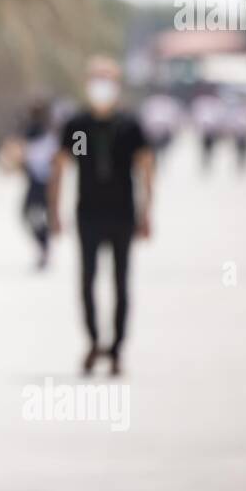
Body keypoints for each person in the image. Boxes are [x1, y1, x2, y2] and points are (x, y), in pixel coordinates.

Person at [48, 56, 155, 377]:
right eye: (97, 79)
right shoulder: (77, 124)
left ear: (118, 85)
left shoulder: (131, 125)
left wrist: (147, 211)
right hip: (88, 214)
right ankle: (94, 341)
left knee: (121, 282)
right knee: (88, 280)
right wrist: (54, 211)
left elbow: (147, 168)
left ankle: (118, 348)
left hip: (123, 214)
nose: (102, 87)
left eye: (107, 80)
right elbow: (60, 167)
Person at [17, 99, 58, 270]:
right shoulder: (31, 130)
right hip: (35, 180)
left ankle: (44, 245)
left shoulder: (48, 132)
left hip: (43, 181)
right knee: (30, 214)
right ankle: (43, 245)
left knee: (35, 214)